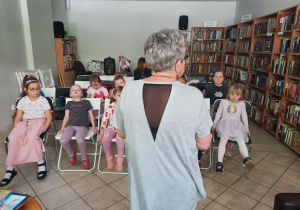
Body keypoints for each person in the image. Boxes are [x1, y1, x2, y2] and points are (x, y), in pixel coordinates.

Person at [112, 28, 212, 210]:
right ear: (177, 65)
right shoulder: (193, 95)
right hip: (179, 186)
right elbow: (204, 143)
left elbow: (121, 131)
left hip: (143, 185)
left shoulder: (128, 90)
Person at [1, 76, 52, 187]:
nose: (36, 91)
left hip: (39, 121)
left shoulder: (43, 100)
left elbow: (49, 117)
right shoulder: (22, 101)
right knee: (13, 138)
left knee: (32, 137)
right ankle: (10, 169)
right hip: (25, 122)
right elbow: (18, 117)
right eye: (32, 89)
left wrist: (44, 128)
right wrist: (17, 130)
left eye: (38, 88)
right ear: (26, 90)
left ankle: (41, 163)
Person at [212, 84, 254, 174]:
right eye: (232, 94)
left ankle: (246, 159)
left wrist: (246, 129)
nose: (234, 96)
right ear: (228, 94)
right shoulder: (223, 102)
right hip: (225, 124)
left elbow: (244, 117)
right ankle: (219, 162)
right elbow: (218, 114)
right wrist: (214, 125)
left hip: (237, 125)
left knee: (241, 139)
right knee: (223, 140)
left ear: (240, 96)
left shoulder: (242, 104)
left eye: (237, 95)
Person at [57, 85, 97, 169]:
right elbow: (66, 117)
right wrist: (61, 129)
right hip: (71, 126)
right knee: (63, 140)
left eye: (78, 90)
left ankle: (84, 157)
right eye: (73, 90)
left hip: (82, 126)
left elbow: (91, 115)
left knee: (80, 139)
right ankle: (71, 154)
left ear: (82, 94)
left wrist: (93, 127)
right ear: (70, 94)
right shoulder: (69, 103)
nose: (76, 91)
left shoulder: (86, 102)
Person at [204, 70, 232, 157]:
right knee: (207, 124)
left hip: (223, 109)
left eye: (220, 77)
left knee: (227, 125)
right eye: (216, 77)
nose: (218, 79)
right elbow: (206, 101)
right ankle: (206, 143)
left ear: (223, 78)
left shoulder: (227, 89)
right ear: (213, 78)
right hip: (211, 108)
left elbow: (229, 102)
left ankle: (227, 146)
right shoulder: (209, 87)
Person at [97, 87, 125, 171]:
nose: (121, 97)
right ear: (114, 96)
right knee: (105, 138)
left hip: (122, 129)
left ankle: (119, 160)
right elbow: (104, 120)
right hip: (111, 128)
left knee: (120, 139)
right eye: (119, 95)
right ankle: (109, 157)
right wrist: (101, 132)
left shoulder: (127, 107)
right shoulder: (110, 107)